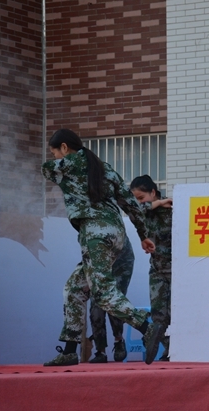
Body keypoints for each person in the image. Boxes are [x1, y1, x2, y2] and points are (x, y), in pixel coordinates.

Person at [41, 128, 165, 366]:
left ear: (64, 148)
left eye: (55, 152)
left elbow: (46, 169)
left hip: (95, 234)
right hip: (116, 234)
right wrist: (143, 235)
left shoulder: (66, 166)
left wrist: (64, 161)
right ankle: (69, 350)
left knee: (102, 292)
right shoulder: (104, 169)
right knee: (74, 289)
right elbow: (131, 204)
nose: (54, 157)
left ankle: (147, 327)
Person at [130, 175, 172, 362]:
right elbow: (134, 210)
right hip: (156, 269)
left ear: (153, 192)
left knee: (174, 312)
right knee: (157, 313)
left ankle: (177, 349)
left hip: (175, 269)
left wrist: (163, 204)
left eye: (141, 197)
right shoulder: (145, 212)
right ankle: (167, 350)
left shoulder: (172, 210)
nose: (139, 202)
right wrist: (157, 203)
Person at [87, 238, 135, 363]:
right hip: (98, 263)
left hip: (121, 262)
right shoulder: (87, 233)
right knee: (95, 306)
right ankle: (100, 351)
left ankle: (118, 340)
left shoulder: (113, 230)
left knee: (114, 300)